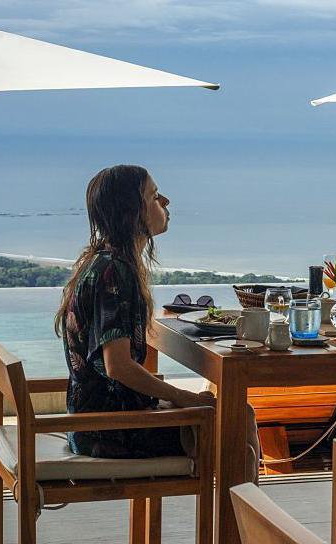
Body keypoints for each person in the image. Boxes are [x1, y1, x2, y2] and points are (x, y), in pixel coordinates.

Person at [55, 165, 259, 481]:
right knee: (235, 421)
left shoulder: (105, 261)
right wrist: (183, 397)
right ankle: (244, 523)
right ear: (131, 212)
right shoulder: (114, 274)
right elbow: (118, 367)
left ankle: (243, 518)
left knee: (234, 415)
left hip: (99, 419)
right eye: (153, 195)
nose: (165, 200)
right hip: (109, 430)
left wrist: (179, 399)